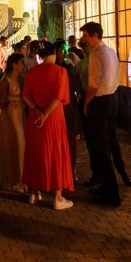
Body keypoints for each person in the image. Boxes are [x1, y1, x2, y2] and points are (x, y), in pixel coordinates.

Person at [22, 42, 74, 210]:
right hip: (53, 118)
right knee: (56, 152)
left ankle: (33, 192)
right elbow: (58, 98)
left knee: (36, 152)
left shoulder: (33, 72)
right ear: (54, 53)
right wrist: (45, 115)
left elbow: (26, 97)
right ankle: (57, 197)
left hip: (35, 118)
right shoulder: (60, 71)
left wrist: (38, 111)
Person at [80, 21, 126, 206]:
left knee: (101, 147)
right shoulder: (110, 51)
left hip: (100, 102)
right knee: (107, 143)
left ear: (94, 35)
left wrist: (87, 103)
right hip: (112, 99)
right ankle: (106, 185)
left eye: (85, 36)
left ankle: (111, 192)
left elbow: (93, 84)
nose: (84, 39)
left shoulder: (96, 54)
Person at [0, 53, 26, 192]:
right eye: (21, 63)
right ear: (14, 65)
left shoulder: (21, 79)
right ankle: (13, 179)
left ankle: (22, 177)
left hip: (20, 113)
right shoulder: (7, 80)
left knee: (22, 144)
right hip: (10, 116)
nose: (23, 66)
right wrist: (5, 105)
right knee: (13, 144)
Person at [54, 40, 80, 180]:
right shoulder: (53, 68)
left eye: (65, 49)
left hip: (70, 105)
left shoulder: (69, 66)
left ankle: (72, 169)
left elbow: (76, 85)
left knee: (71, 139)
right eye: (61, 50)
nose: (64, 53)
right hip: (58, 107)